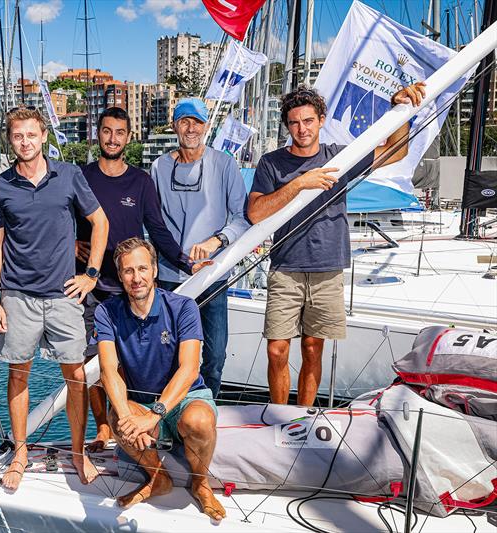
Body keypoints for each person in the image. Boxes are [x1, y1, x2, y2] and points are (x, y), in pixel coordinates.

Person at [247, 82, 426, 406]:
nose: (301, 129)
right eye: (294, 123)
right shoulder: (272, 164)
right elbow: (256, 213)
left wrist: (399, 109)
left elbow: (395, 150)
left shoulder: (339, 158)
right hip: (285, 267)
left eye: (308, 121)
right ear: (287, 125)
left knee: (313, 348)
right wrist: (300, 183)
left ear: (321, 119)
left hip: (328, 267)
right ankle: (277, 415)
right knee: (277, 349)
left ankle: (299, 420)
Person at [0, 106, 110, 491]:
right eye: (18, 136)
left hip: (63, 296)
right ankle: (20, 452)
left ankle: (77, 451)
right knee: (17, 374)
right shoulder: (0, 185)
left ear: (43, 137)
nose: (25, 142)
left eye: (32, 135)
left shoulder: (69, 175)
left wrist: (90, 275)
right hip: (17, 295)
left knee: (75, 376)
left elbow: (100, 222)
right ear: (11, 140)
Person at [75, 107, 209, 452]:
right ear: (98, 134)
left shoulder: (140, 181)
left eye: (120, 132)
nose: (113, 138)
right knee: (94, 364)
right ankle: (104, 427)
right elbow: (65, 219)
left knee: (128, 361)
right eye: (107, 131)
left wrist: (184, 262)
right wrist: (71, 243)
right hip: (92, 285)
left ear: (128, 137)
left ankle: (147, 418)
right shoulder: (82, 177)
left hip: (129, 286)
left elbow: (158, 229)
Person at [96, 237, 225, 522]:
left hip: (184, 397)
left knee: (199, 423)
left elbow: (189, 369)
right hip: (141, 401)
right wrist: (126, 415)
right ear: (120, 275)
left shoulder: (182, 307)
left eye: (143, 269)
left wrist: (154, 416)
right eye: (128, 271)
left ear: (154, 270)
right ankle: (158, 478)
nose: (136, 278)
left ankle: (200, 483)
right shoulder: (107, 312)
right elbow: (109, 370)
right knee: (117, 416)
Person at [151, 97, 250, 398]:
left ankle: (205, 408)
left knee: (215, 357)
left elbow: (242, 217)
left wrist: (216, 241)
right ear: (175, 126)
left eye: (197, 122)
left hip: (212, 275)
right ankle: (168, 415)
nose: (190, 128)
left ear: (207, 126)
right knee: (167, 355)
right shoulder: (159, 166)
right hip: (170, 276)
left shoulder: (224, 164)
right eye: (184, 121)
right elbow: (152, 222)